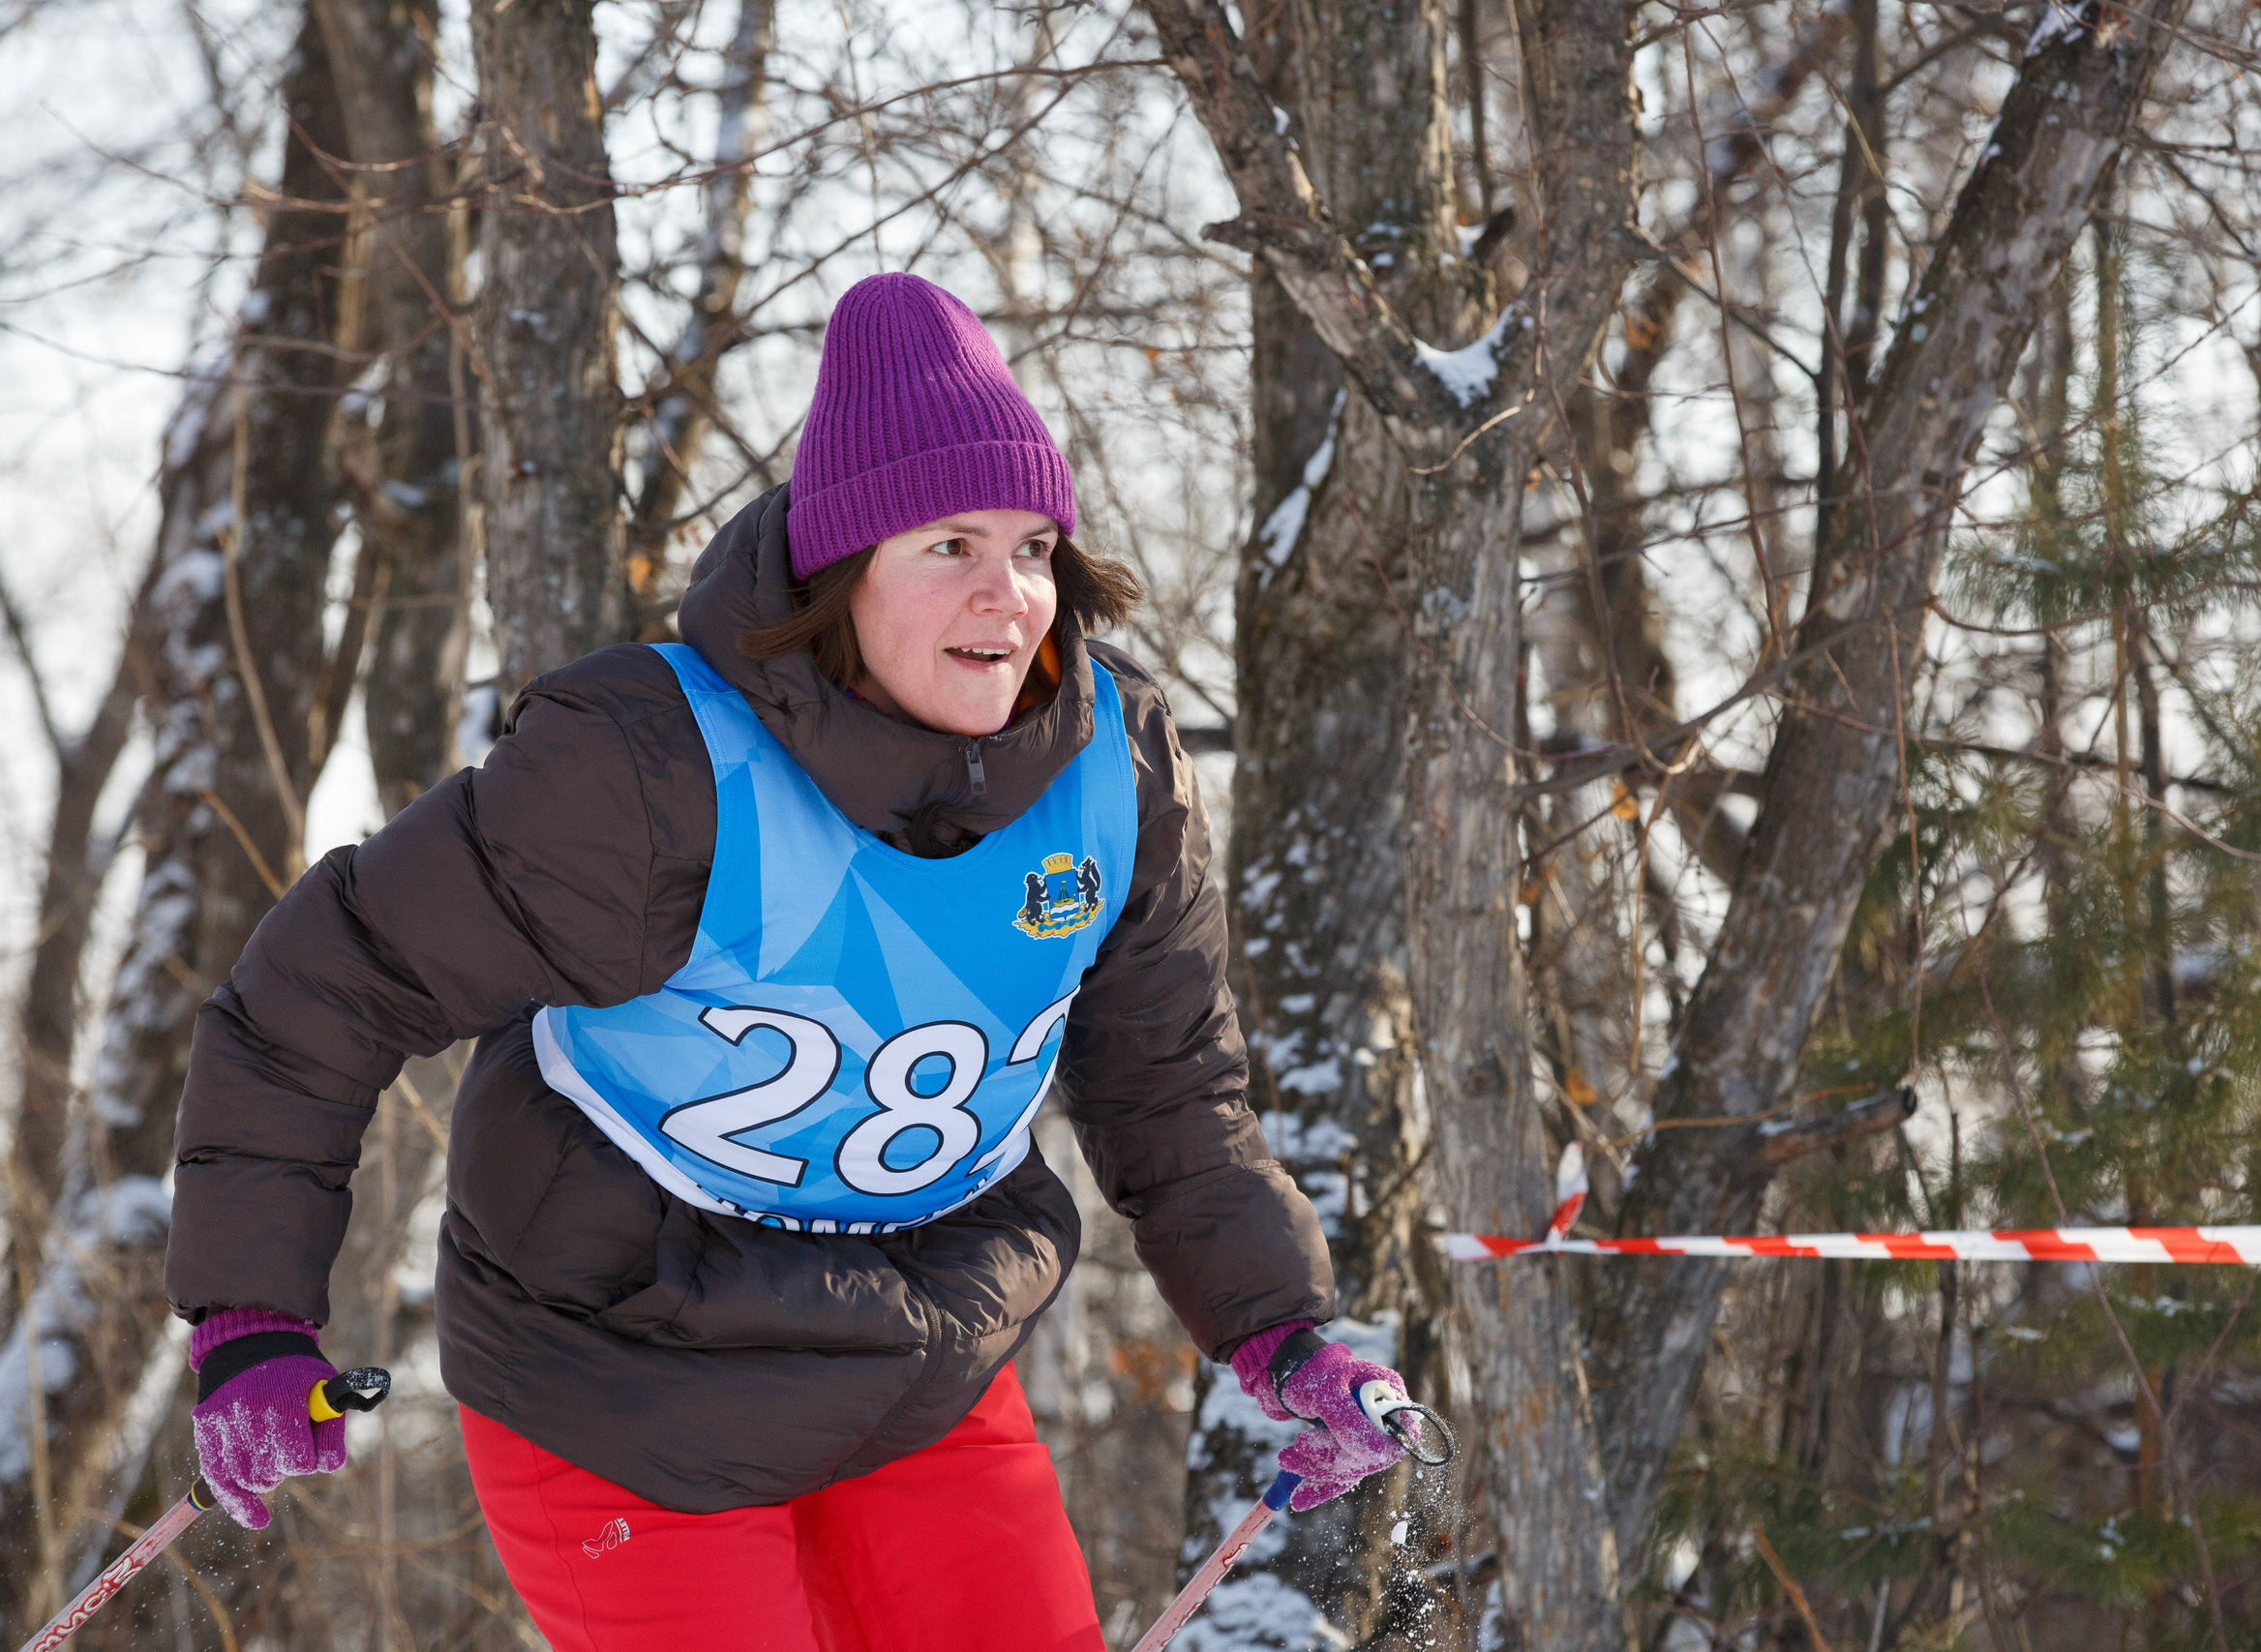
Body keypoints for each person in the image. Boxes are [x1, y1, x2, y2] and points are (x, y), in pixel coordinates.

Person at [164, 273, 1412, 1651]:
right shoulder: (647, 768)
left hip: (920, 1357)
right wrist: (253, 1324)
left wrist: (1283, 1332)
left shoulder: (1110, 773)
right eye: (949, 543)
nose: (1009, 591)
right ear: (840, 571)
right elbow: (322, 990)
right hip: (620, 1371)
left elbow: (1167, 1084)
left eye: (1035, 544)